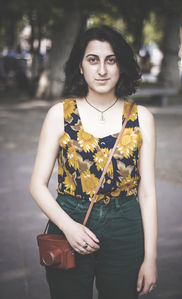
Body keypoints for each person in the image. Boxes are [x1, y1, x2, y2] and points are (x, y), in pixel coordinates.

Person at [29, 25, 158, 299]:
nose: (102, 70)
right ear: (80, 66)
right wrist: (68, 227)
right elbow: (37, 185)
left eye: (110, 60)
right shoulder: (59, 115)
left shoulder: (141, 117)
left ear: (121, 65)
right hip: (70, 218)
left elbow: (147, 193)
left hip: (125, 224)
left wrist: (151, 258)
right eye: (93, 59)